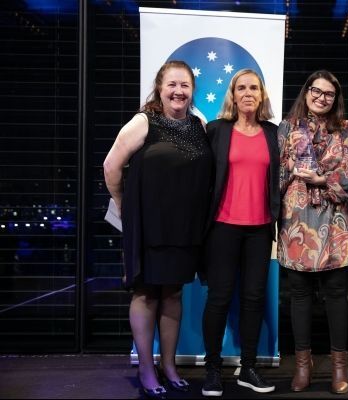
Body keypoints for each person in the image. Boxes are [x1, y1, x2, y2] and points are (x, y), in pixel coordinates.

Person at [103, 60, 213, 399]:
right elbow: (111, 165)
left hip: (185, 227)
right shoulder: (143, 122)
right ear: (160, 88)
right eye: (172, 85)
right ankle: (146, 368)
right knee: (146, 293)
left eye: (185, 85)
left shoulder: (200, 124)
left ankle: (169, 365)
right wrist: (123, 205)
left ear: (192, 91)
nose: (178, 91)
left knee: (173, 293)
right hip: (149, 225)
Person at [201, 69, 280, 397]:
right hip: (222, 228)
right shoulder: (216, 130)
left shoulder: (273, 133)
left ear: (262, 95)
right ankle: (212, 370)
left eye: (254, 88)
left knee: (253, 298)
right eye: (241, 88)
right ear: (232, 95)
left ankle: (248, 367)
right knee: (219, 298)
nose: (248, 93)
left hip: (260, 229)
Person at [277, 70, 348, 394]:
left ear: (336, 99)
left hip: (335, 221)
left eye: (329, 94)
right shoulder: (287, 127)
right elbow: (274, 173)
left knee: (336, 294)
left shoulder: (346, 129)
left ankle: (339, 366)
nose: (322, 98)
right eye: (317, 91)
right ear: (306, 91)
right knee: (299, 295)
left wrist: (322, 180)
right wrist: (290, 169)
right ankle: (302, 365)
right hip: (297, 221)